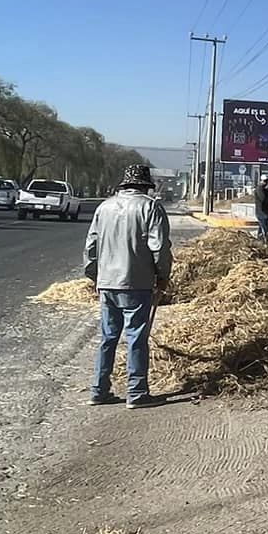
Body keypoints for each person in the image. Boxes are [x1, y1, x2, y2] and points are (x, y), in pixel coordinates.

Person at [83, 163, 173, 408]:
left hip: (107, 282)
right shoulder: (150, 207)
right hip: (137, 282)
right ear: (145, 186)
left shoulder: (104, 207)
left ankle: (99, 390)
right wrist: (163, 275)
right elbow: (160, 247)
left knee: (108, 337)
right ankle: (137, 393)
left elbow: (91, 246)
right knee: (136, 337)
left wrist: (94, 276)